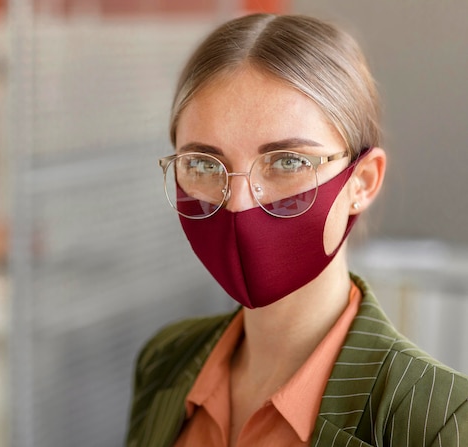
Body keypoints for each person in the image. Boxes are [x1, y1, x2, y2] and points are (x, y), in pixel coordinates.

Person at [126, 13, 468, 447]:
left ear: (361, 183)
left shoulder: (437, 421)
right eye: (202, 164)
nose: (239, 204)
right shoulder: (164, 361)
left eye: (288, 162)